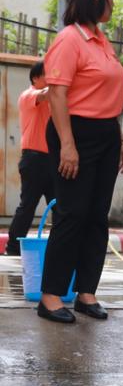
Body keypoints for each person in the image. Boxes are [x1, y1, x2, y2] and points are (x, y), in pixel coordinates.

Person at [38, 0, 123, 324]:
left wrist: (118, 139)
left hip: (105, 133)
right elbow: (57, 95)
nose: (112, 2)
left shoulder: (101, 40)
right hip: (74, 131)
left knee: (96, 217)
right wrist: (67, 145)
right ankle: (49, 297)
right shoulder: (69, 40)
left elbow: (107, 95)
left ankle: (86, 293)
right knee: (72, 215)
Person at [6, 61, 54, 257]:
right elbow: (45, 94)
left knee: (60, 206)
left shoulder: (53, 101)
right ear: (35, 78)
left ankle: (60, 248)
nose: (51, 78)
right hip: (34, 160)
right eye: (47, 75)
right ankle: (13, 248)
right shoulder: (29, 95)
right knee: (28, 206)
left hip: (53, 160)